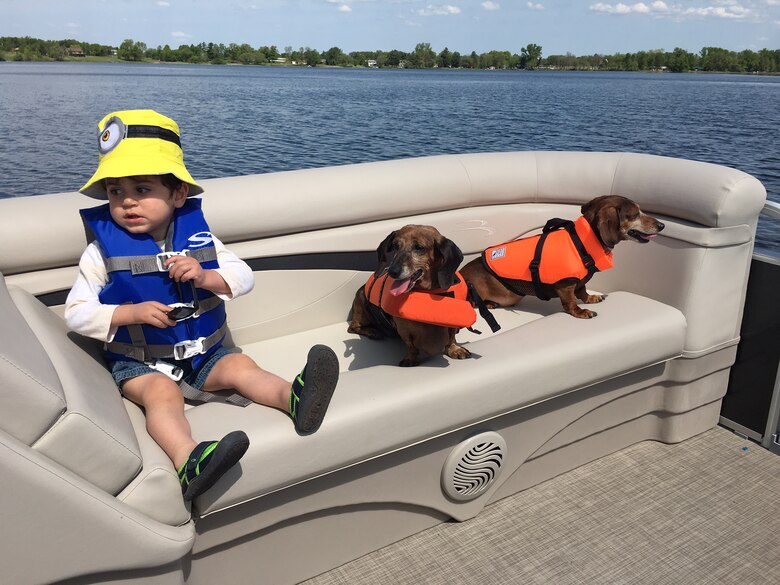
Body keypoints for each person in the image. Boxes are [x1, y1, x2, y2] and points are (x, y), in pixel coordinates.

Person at [65, 109, 339, 502]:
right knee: (163, 394)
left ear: (178, 194)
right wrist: (129, 314)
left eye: (142, 190)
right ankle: (188, 459)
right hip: (138, 361)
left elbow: (243, 276)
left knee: (240, 367)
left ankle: (294, 399)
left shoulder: (201, 239)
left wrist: (207, 277)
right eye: (115, 192)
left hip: (204, 353)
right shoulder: (98, 252)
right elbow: (75, 313)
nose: (127, 202)